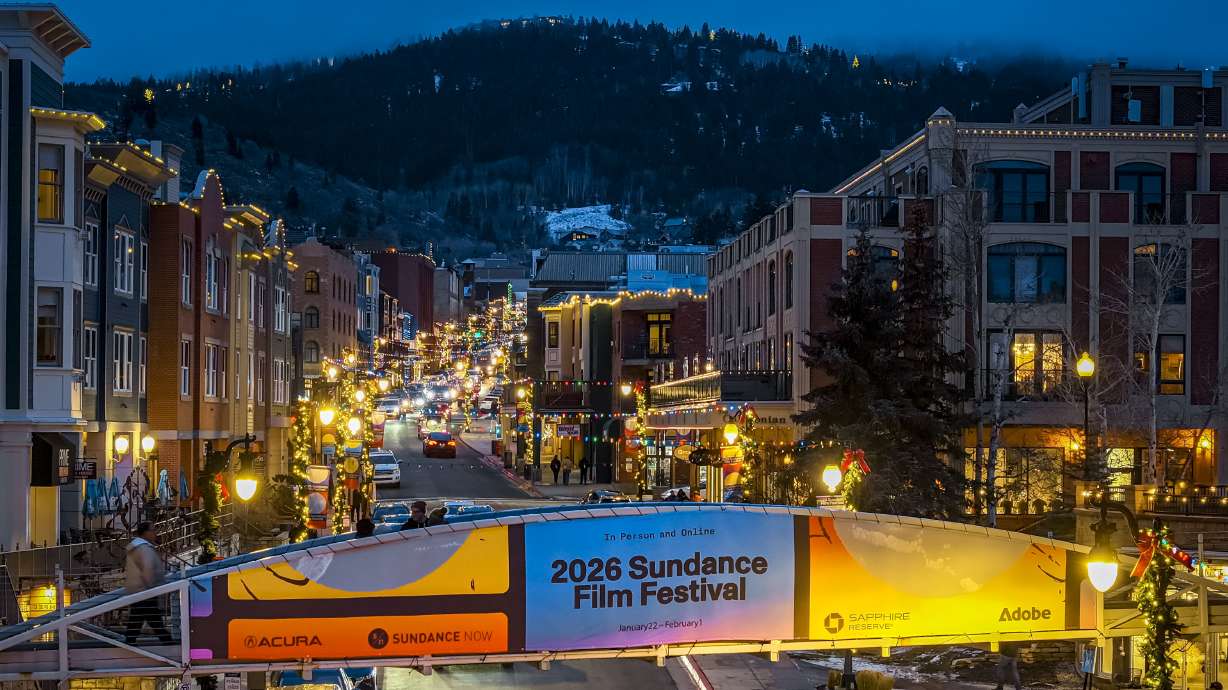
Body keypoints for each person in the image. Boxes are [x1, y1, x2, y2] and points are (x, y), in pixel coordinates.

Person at [124, 522, 173, 644]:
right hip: (146, 589)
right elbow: (148, 568)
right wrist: (153, 586)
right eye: (153, 530)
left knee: (139, 617)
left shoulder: (135, 547)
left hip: (136, 588)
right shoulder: (145, 548)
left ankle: (130, 640)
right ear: (145, 532)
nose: (155, 533)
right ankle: (166, 640)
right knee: (150, 617)